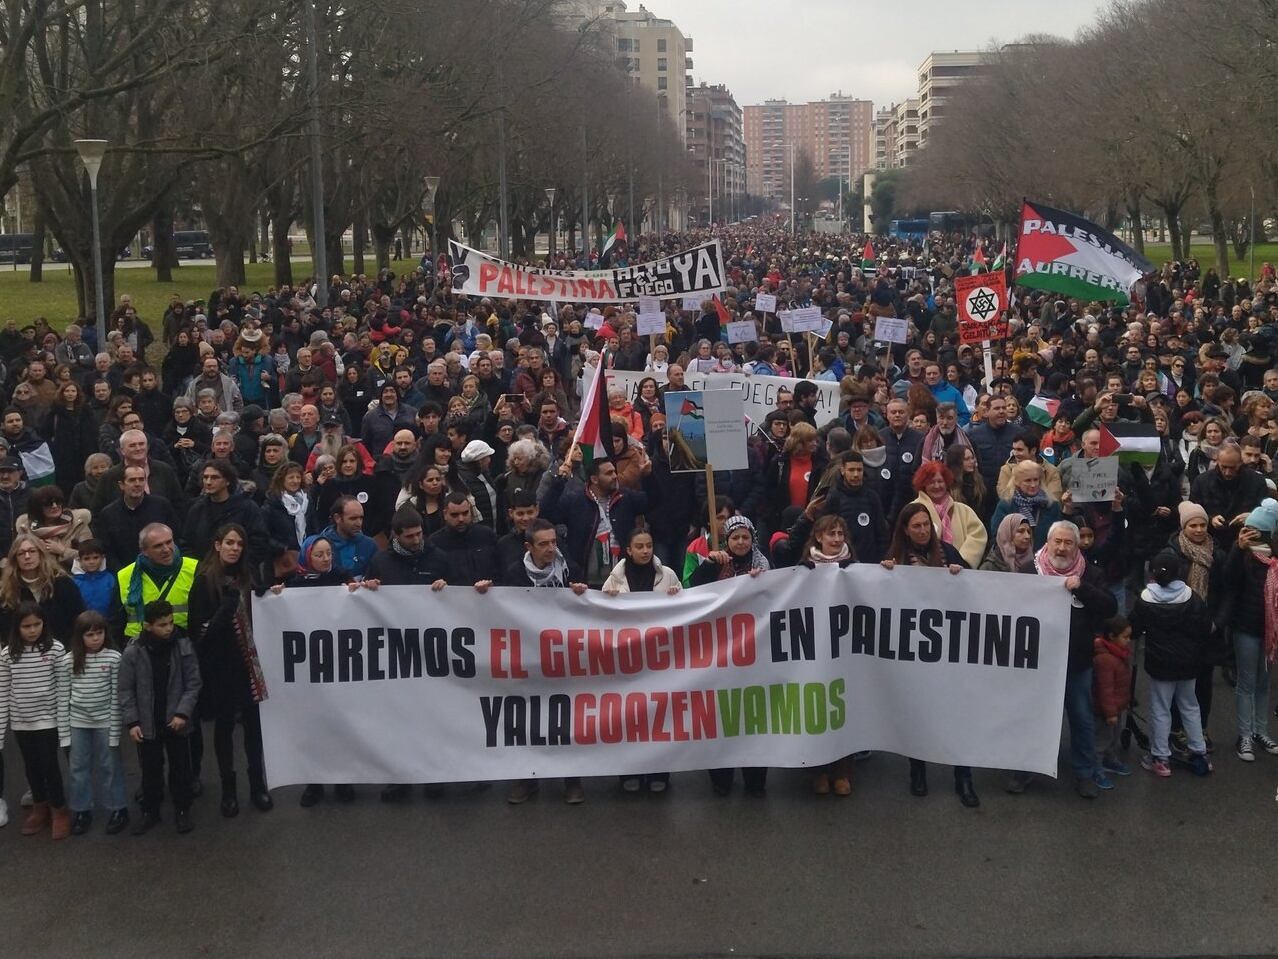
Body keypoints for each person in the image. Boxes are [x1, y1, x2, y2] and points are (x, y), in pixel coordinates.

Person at [1011, 521, 1117, 799]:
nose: (1062, 547)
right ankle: (1025, 769)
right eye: (1057, 541)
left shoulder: (1090, 574)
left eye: (1068, 542)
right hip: (1037, 661)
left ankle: (1084, 772)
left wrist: (1081, 589)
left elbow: (1110, 607)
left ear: (1077, 545)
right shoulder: (1028, 571)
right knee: (1032, 717)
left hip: (1076, 662)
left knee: (1081, 719)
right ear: (1048, 542)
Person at [880, 504, 977, 807]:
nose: (923, 531)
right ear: (905, 530)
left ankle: (963, 776)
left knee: (958, 715)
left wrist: (960, 575)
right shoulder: (893, 559)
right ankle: (917, 771)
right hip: (914, 652)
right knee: (918, 714)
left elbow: (975, 589)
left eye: (926, 525)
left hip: (949, 648)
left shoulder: (948, 551)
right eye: (916, 526)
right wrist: (883, 575)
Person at [270, 536, 372, 808]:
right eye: (320, 555)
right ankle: (313, 782)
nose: (326, 559)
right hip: (310, 669)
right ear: (307, 557)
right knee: (313, 725)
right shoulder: (294, 583)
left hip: (340, 664)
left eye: (329, 554)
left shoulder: (341, 577)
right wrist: (277, 597)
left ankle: (343, 780)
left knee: (341, 724)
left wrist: (360, 590)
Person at [499, 519, 588, 805]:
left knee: (566, 719)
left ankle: (572, 780)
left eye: (553, 542)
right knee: (528, 719)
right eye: (543, 544)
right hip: (529, 657)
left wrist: (583, 593)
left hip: (563, 657)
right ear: (529, 547)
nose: (551, 548)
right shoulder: (514, 574)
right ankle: (527, 778)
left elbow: (588, 606)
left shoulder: (569, 569)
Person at [188, 523, 273, 818]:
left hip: (248, 665)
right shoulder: (204, 581)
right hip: (220, 667)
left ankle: (257, 784)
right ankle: (228, 790)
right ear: (217, 545)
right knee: (224, 729)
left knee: (253, 728)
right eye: (230, 543)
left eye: (240, 544)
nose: (235, 548)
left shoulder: (248, 576)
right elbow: (199, 632)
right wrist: (225, 610)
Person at [602, 526, 679, 794]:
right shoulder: (614, 579)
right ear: (628, 550)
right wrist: (606, 601)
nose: (645, 551)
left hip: (659, 657)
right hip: (627, 659)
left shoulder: (667, 575)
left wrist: (677, 597)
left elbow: (685, 611)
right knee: (629, 716)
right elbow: (599, 619)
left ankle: (660, 771)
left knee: (659, 716)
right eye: (639, 546)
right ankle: (629, 772)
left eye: (649, 545)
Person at [118, 599, 201, 835]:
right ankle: (150, 812)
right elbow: (125, 689)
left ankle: (182, 810)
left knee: (181, 769)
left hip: (176, 721)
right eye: (162, 624)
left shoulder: (182, 645)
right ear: (147, 626)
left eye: (170, 623)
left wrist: (183, 712)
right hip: (147, 723)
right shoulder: (134, 651)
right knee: (151, 771)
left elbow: (193, 682)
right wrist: (133, 722)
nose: (168, 629)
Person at [1129, 550, 1213, 779]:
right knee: (1190, 705)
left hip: (1160, 663)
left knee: (1160, 708)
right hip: (1188, 662)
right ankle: (1199, 751)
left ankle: (1160, 756)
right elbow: (1205, 627)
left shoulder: (1146, 599)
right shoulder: (1191, 597)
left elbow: (1134, 628)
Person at [0, 601, 71, 838]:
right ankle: (40, 806)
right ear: (16, 628)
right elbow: (3, 692)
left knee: (50, 765)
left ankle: (59, 809)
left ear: (44, 624)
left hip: (48, 720)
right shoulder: (8, 653)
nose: (32, 630)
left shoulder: (55, 649)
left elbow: (63, 688)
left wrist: (63, 725)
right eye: (26, 626)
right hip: (21, 722)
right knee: (31, 766)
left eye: (37, 624)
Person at [1220, 498, 1278, 762]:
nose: (1254, 536)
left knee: (1264, 682)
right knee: (1246, 682)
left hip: (1270, 629)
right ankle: (1244, 734)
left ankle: (1260, 731)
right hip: (1245, 626)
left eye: (1260, 531)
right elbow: (1227, 580)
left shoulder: (1274, 557)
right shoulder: (1242, 555)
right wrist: (1236, 548)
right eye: (1250, 530)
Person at [541, 455, 648, 588]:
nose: (615, 476)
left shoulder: (625, 497)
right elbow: (546, 513)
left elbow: (654, 502)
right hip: (586, 582)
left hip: (623, 581)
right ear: (594, 479)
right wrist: (559, 481)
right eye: (609, 473)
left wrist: (648, 476)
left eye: (614, 471)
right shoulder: (575, 501)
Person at [66, 610, 128, 835]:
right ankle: (82, 810)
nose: (95, 638)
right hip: (77, 723)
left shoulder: (114, 658)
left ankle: (118, 808)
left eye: (99, 633)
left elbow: (115, 697)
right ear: (79, 636)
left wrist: (114, 731)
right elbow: (64, 698)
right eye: (89, 634)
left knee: (110, 766)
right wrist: (65, 734)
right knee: (78, 768)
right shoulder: (69, 660)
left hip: (105, 722)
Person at [0, 533, 86, 643]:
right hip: (22, 655)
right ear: (15, 559)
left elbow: (79, 620)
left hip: (63, 652)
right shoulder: (7, 591)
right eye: (21, 553)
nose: (27, 557)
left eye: (32, 551)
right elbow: (6, 630)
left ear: (41, 554)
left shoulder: (63, 584)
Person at [909, 461, 988, 569]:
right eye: (931, 482)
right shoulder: (913, 509)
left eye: (940, 481)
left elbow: (977, 535)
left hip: (959, 572)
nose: (937, 486)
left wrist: (961, 562)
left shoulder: (963, 510)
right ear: (923, 484)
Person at [364, 506, 449, 587]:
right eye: (409, 536)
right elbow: (366, 594)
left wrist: (446, 586)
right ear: (396, 536)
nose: (416, 540)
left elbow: (455, 591)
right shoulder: (380, 562)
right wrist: (370, 586)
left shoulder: (439, 558)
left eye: (418, 534)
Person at [1092, 615, 1133, 779]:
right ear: (1112, 636)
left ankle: (1109, 759)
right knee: (1101, 740)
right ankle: (1096, 769)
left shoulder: (1118, 654)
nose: (1129, 641)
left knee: (1112, 737)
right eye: (1125, 637)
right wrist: (1110, 713)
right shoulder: (1105, 660)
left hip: (1116, 708)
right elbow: (1105, 689)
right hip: (1107, 711)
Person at [428, 493, 500, 587]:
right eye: (455, 515)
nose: (461, 519)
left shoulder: (486, 535)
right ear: (445, 514)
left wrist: (492, 584)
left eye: (465, 513)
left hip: (487, 596)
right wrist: (438, 583)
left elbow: (499, 569)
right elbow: (430, 576)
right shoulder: (435, 542)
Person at [988, 460, 1063, 550]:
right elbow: (997, 535)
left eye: (1036, 480)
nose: (1033, 485)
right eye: (1027, 480)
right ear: (1017, 482)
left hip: (1044, 559)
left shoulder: (1052, 505)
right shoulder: (1006, 505)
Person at [318, 495, 378, 579]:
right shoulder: (319, 546)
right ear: (337, 518)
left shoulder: (370, 545)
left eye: (361, 518)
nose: (359, 524)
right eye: (353, 519)